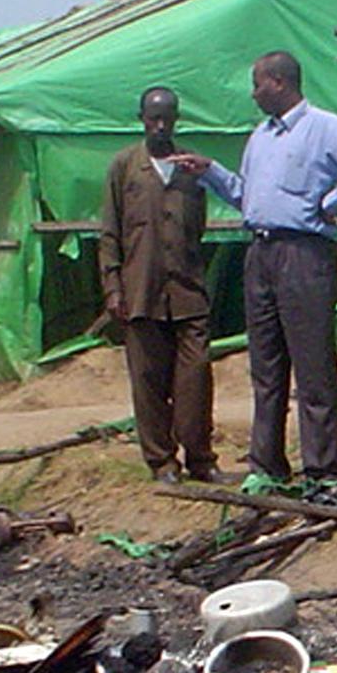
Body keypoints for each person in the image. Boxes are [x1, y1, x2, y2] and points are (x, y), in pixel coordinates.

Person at [170, 52, 337, 483]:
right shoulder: (261, 137)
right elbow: (246, 196)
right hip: (262, 254)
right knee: (266, 368)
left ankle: (324, 471)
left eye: (257, 84)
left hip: (304, 254)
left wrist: (332, 204)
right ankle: (267, 466)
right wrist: (210, 171)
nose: (253, 94)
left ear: (278, 82)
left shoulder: (324, 127)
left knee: (313, 368)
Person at [99, 87, 230, 484]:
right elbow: (109, 233)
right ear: (141, 118)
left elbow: (199, 228)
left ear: (176, 119)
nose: (160, 126)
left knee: (195, 377)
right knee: (148, 381)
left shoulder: (190, 168)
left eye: (167, 118)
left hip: (187, 292)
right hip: (140, 293)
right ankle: (161, 462)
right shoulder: (124, 167)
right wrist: (114, 288)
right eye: (153, 118)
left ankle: (201, 458)